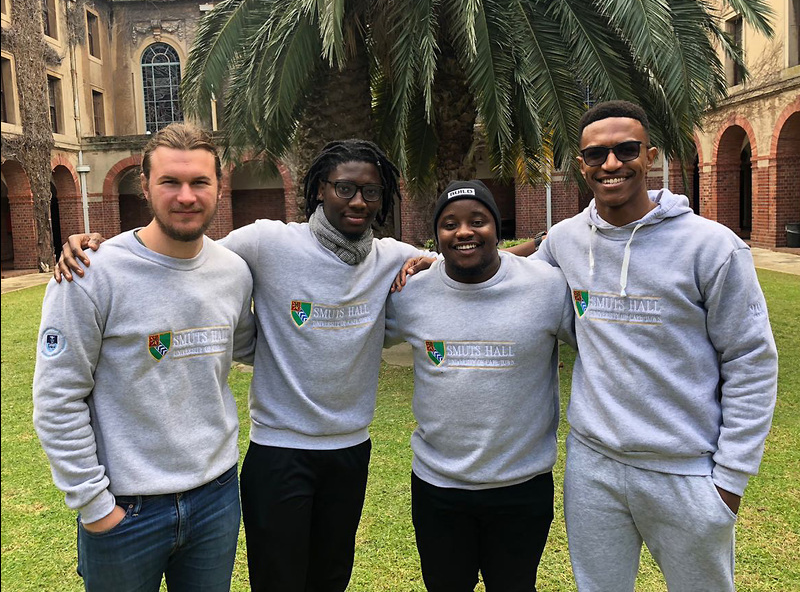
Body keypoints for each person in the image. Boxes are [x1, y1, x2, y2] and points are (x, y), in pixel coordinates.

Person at [54, 140, 437, 591]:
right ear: (318, 190)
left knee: (333, 576)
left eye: (370, 192)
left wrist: (432, 263)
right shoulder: (264, 242)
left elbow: (469, 260)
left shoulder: (393, 257)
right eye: (345, 187)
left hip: (350, 449)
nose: (358, 201)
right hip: (277, 450)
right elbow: (190, 255)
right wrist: (98, 246)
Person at [534, 100, 778, 591]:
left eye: (626, 150)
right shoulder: (565, 240)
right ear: (581, 165)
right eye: (595, 154)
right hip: (594, 466)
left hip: (687, 470)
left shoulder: (712, 246)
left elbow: (751, 361)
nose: (611, 164)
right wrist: (439, 261)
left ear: (651, 156)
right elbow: (516, 277)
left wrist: (729, 480)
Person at [33, 123, 257, 591]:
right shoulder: (91, 274)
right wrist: (96, 507)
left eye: (200, 182)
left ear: (219, 185)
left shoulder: (233, 272)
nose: (186, 196)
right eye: (170, 182)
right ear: (145, 185)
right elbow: (57, 399)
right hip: (125, 508)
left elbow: (255, 346)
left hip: (215, 498)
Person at [385, 181, 575, 591]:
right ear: (437, 236)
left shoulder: (546, 286)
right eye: (450, 224)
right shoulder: (410, 294)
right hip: (438, 487)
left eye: (478, 221)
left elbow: (602, 343)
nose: (464, 232)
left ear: (497, 227)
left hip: (522, 487)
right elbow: (354, 328)